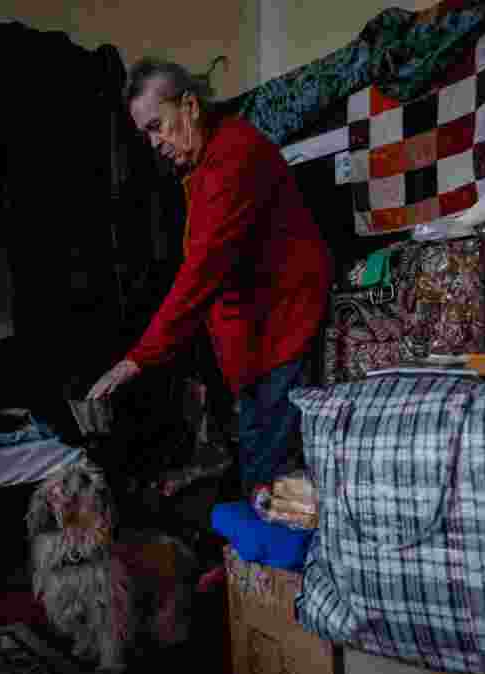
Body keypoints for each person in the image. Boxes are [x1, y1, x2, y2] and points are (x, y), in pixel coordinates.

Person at [86, 58, 333, 507]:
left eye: (158, 126)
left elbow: (203, 270)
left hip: (280, 332)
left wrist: (137, 360)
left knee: (270, 484)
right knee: (255, 473)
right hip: (252, 342)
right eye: (146, 134)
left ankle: (272, 572)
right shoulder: (201, 165)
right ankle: (255, 569)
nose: (155, 142)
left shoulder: (233, 158)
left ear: (190, 106)